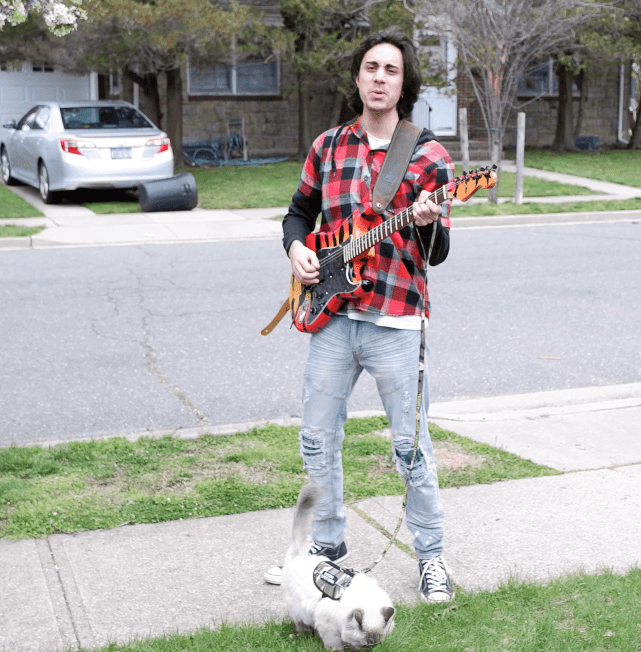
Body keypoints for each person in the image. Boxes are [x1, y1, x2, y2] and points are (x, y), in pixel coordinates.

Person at [266, 26, 455, 603]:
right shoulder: (328, 146)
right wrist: (297, 249)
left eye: (391, 70)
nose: (379, 77)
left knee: (410, 445)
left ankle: (431, 557)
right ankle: (324, 548)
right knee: (318, 438)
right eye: (371, 67)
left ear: (404, 83)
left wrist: (425, 223)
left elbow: (438, 253)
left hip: (396, 318)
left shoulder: (428, 155)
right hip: (332, 318)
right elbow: (298, 214)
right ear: (357, 77)